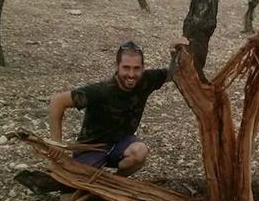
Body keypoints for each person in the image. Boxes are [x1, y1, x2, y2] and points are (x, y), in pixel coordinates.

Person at [49, 38, 187, 176]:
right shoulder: (101, 91)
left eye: (136, 68)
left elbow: (174, 74)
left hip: (120, 144)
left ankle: (116, 183)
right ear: (117, 66)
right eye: (126, 68)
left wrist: (176, 55)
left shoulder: (146, 80)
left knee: (140, 152)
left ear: (143, 67)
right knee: (71, 192)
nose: (131, 74)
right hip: (91, 148)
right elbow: (58, 101)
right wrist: (56, 143)